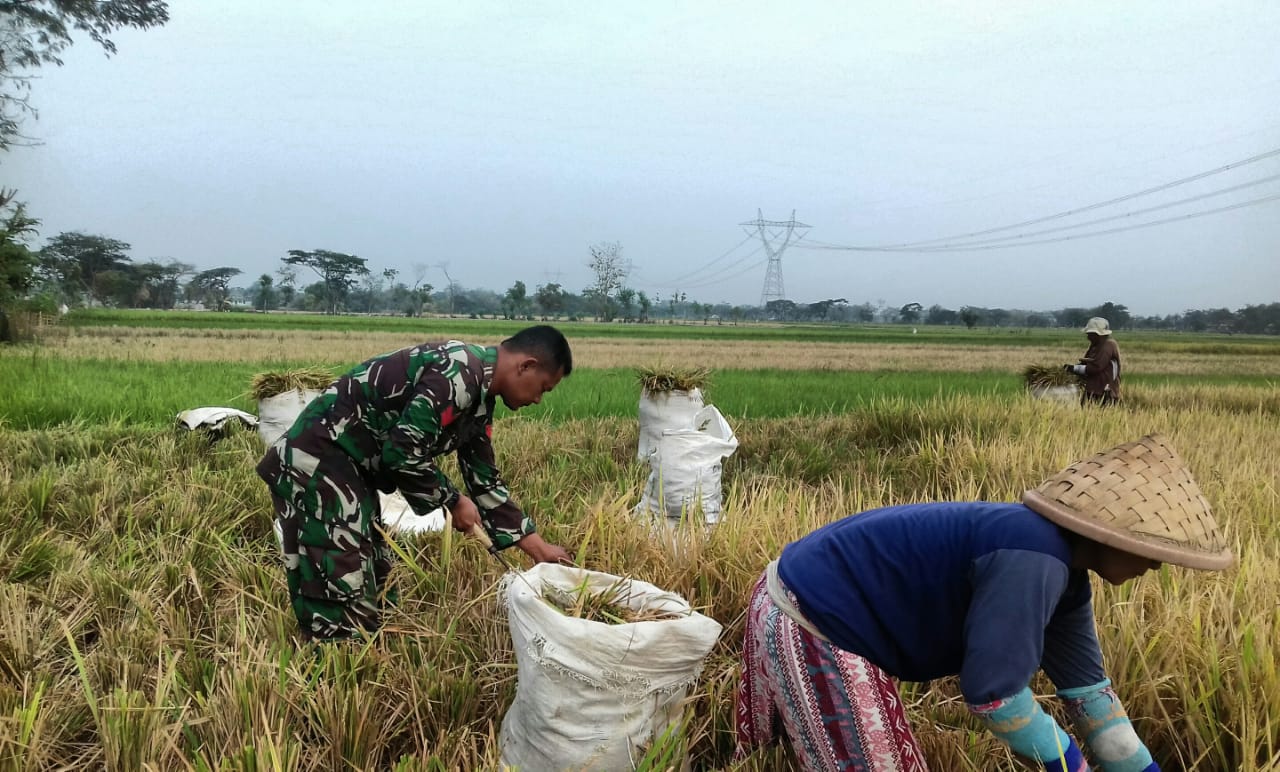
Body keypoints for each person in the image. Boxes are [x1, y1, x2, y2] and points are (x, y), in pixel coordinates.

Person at [734, 434, 1232, 771]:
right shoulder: (1033, 558)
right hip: (811, 615)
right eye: (1150, 549)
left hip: (801, 593)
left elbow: (1091, 698)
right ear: (1108, 534)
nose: (1156, 565)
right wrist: (1071, 765)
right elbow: (995, 696)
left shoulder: (1066, 576)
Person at [257, 325, 575, 642]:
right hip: (318, 462)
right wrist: (452, 501)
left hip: (349, 470)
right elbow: (402, 452)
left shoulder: (479, 399)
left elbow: (484, 480)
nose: (538, 399)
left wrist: (539, 549)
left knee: (376, 573)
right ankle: (335, 660)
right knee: (339, 576)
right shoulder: (458, 374)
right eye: (543, 388)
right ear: (526, 366)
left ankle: (365, 649)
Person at [1065, 317, 1121, 405]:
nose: (1088, 337)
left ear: (1097, 334)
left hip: (1105, 392)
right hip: (1092, 390)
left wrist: (1074, 368)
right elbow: (1085, 362)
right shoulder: (1095, 346)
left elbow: (1096, 367)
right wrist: (1074, 367)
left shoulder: (1108, 345)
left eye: (1090, 334)